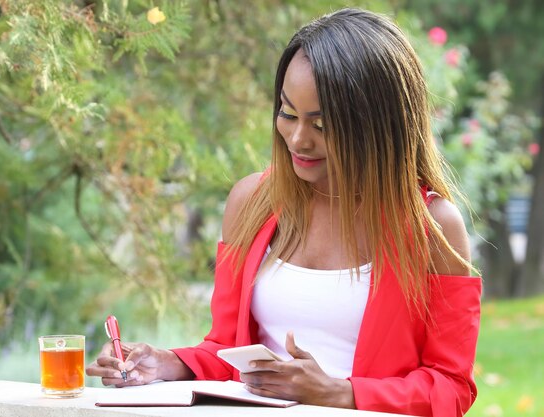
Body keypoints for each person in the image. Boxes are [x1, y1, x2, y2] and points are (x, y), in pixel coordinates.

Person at [86, 8, 482, 417]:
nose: (297, 138)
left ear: (378, 126)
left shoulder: (432, 227)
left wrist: (340, 393)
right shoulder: (251, 203)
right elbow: (226, 349)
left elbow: (451, 387)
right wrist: (170, 364)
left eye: (322, 125)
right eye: (288, 113)